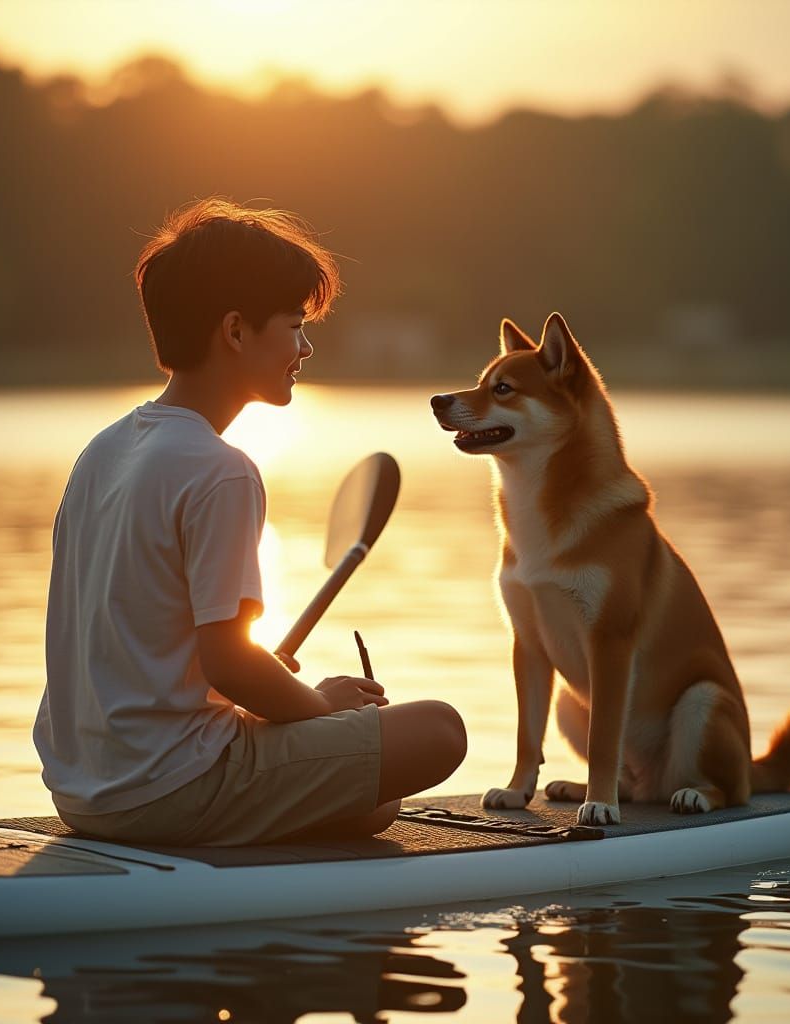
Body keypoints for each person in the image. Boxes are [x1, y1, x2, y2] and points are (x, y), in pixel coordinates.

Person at [33, 198, 466, 846]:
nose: (306, 346)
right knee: (439, 731)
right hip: (173, 791)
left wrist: (302, 711)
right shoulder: (221, 470)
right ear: (235, 332)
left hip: (80, 793)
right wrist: (317, 707)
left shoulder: (103, 450)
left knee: (373, 800)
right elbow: (229, 664)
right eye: (294, 326)